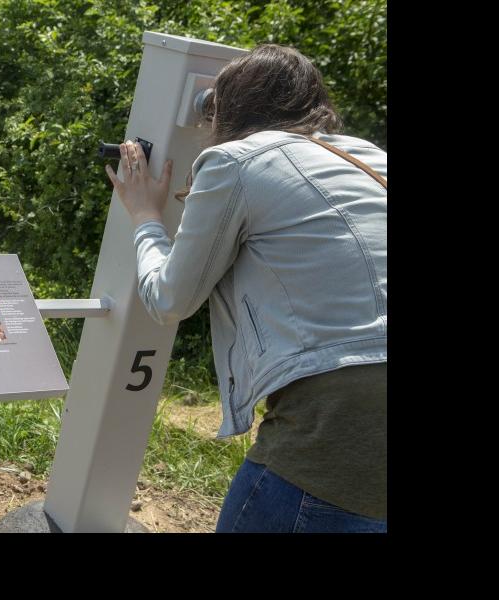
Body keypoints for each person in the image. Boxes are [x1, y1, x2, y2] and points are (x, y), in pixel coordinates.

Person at [104, 44, 386, 533]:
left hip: (344, 407)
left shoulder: (235, 161)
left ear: (231, 107)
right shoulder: (369, 157)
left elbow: (169, 299)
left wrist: (145, 215)